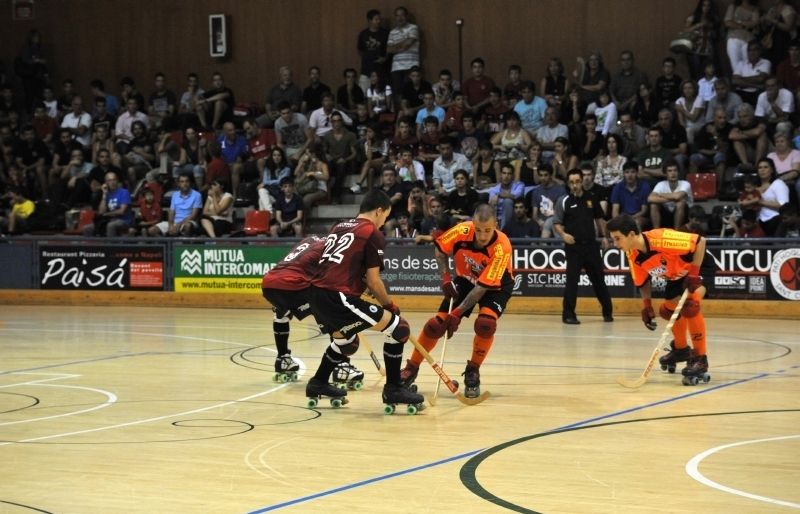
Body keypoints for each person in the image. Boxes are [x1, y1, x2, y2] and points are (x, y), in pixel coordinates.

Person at [306, 190, 423, 408]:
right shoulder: (372, 233)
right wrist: (390, 306)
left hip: (315, 293)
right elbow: (374, 280)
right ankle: (394, 389)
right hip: (337, 295)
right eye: (385, 217)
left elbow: (342, 265)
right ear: (379, 211)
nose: (383, 222)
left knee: (344, 341)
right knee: (399, 328)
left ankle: (318, 382)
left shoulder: (339, 226)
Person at [400, 204, 514, 399]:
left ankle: (473, 370)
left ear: (496, 225)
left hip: (497, 286)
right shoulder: (462, 230)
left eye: (487, 230)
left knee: (486, 324)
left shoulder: (502, 247)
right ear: (472, 224)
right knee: (435, 325)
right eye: (478, 230)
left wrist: (456, 314)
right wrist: (445, 278)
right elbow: (439, 250)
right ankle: (411, 367)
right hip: (466, 279)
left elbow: (481, 289)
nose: (482, 235)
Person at [607, 213, 712, 384]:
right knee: (666, 311)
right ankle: (681, 350)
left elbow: (700, 242)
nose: (615, 244)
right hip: (676, 276)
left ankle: (700, 358)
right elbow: (642, 281)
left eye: (618, 239)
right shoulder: (633, 255)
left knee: (690, 305)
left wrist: (693, 274)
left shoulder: (661, 238)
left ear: (632, 235)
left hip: (698, 268)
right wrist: (647, 306)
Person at [261, 236, 325, 382]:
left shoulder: (310, 239)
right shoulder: (331, 245)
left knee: (281, 314)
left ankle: (283, 359)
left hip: (269, 283)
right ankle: (341, 364)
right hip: (292, 285)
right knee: (331, 309)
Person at [553, 168, 613, 324]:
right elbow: (556, 223)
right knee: (572, 282)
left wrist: (605, 237)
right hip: (574, 248)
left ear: (582, 181)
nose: (575, 185)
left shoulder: (592, 198)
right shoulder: (563, 201)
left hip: (591, 246)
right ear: (568, 183)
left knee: (599, 280)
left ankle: (608, 313)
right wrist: (564, 235)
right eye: (572, 182)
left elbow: (600, 220)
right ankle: (568, 315)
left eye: (577, 182)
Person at [82, 171, 133, 237]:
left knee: (110, 226)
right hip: (109, 220)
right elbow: (101, 212)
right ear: (106, 183)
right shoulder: (107, 194)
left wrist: (106, 214)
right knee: (87, 228)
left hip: (123, 221)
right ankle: (92, 247)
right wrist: (104, 195)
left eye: (114, 180)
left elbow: (121, 211)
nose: (112, 182)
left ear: (117, 181)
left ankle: (110, 246)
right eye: (109, 180)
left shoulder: (124, 192)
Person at [387, 6, 420, 101]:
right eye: (397, 16)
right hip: (396, 67)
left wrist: (396, 47)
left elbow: (408, 44)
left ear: (406, 16)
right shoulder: (392, 32)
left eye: (402, 15)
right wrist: (404, 42)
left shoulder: (413, 28)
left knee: (410, 92)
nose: (400, 18)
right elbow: (389, 50)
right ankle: (400, 114)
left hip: (411, 66)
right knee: (398, 94)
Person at [648, 160, 693, 229]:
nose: (673, 173)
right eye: (670, 171)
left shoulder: (685, 184)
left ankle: (676, 232)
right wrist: (672, 198)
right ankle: (656, 232)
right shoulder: (661, 184)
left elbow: (677, 196)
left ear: (678, 172)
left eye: (675, 170)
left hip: (684, 217)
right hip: (666, 216)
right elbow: (650, 198)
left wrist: (660, 195)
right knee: (653, 205)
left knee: (680, 203)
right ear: (665, 173)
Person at [357, 10, 390, 94]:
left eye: (379, 19)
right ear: (369, 20)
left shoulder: (385, 33)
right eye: (376, 19)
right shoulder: (363, 34)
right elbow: (360, 49)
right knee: (363, 93)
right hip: (366, 69)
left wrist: (385, 58)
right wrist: (367, 58)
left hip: (381, 70)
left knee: (380, 95)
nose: (378, 21)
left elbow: (390, 49)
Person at [529, 164, 566, 238]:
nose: (543, 178)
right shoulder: (536, 191)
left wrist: (547, 223)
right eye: (541, 175)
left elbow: (561, 214)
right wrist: (541, 223)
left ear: (551, 176)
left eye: (546, 175)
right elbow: (535, 215)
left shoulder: (560, 190)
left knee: (550, 222)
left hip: (557, 222)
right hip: (541, 223)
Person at [755, 156, 790, 235]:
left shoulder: (778, 184)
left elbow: (784, 206)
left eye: (765, 167)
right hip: (758, 222)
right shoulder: (754, 188)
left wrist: (761, 202)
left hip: (775, 220)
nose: (762, 170)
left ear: (772, 170)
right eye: (760, 168)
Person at [611, 160, 651, 228]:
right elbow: (615, 211)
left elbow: (644, 211)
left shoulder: (645, 186)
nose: (630, 175)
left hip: (640, 218)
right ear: (623, 173)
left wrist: (630, 219)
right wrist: (620, 220)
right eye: (627, 172)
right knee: (608, 225)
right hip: (623, 218)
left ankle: (637, 239)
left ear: (637, 173)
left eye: (633, 172)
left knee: (636, 223)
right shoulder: (617, 187)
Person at [488, 162, 524, 229]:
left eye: (509, 174)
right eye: (504, 173)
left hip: (515, 217)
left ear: (513, 176)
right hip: (498, 219)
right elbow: (491, 206)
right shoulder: (494, 190)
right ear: (500, 175)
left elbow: (517, 197)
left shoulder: (519, 185)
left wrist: (499, 195)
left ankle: (504, 230)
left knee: (508, 201)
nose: (506, 176)